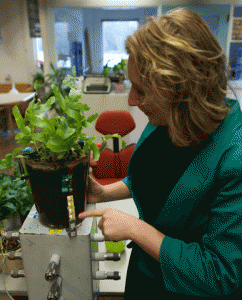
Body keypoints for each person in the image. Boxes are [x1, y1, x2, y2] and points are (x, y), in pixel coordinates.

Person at [78, 7, 242, 299]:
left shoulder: (234, 155)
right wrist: (103, 193)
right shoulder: (167, 119)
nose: (130, 99)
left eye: (141, 91)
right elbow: (153, 179)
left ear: (183, 90)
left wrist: (136, 229)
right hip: (145, 277)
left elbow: (223, 273)